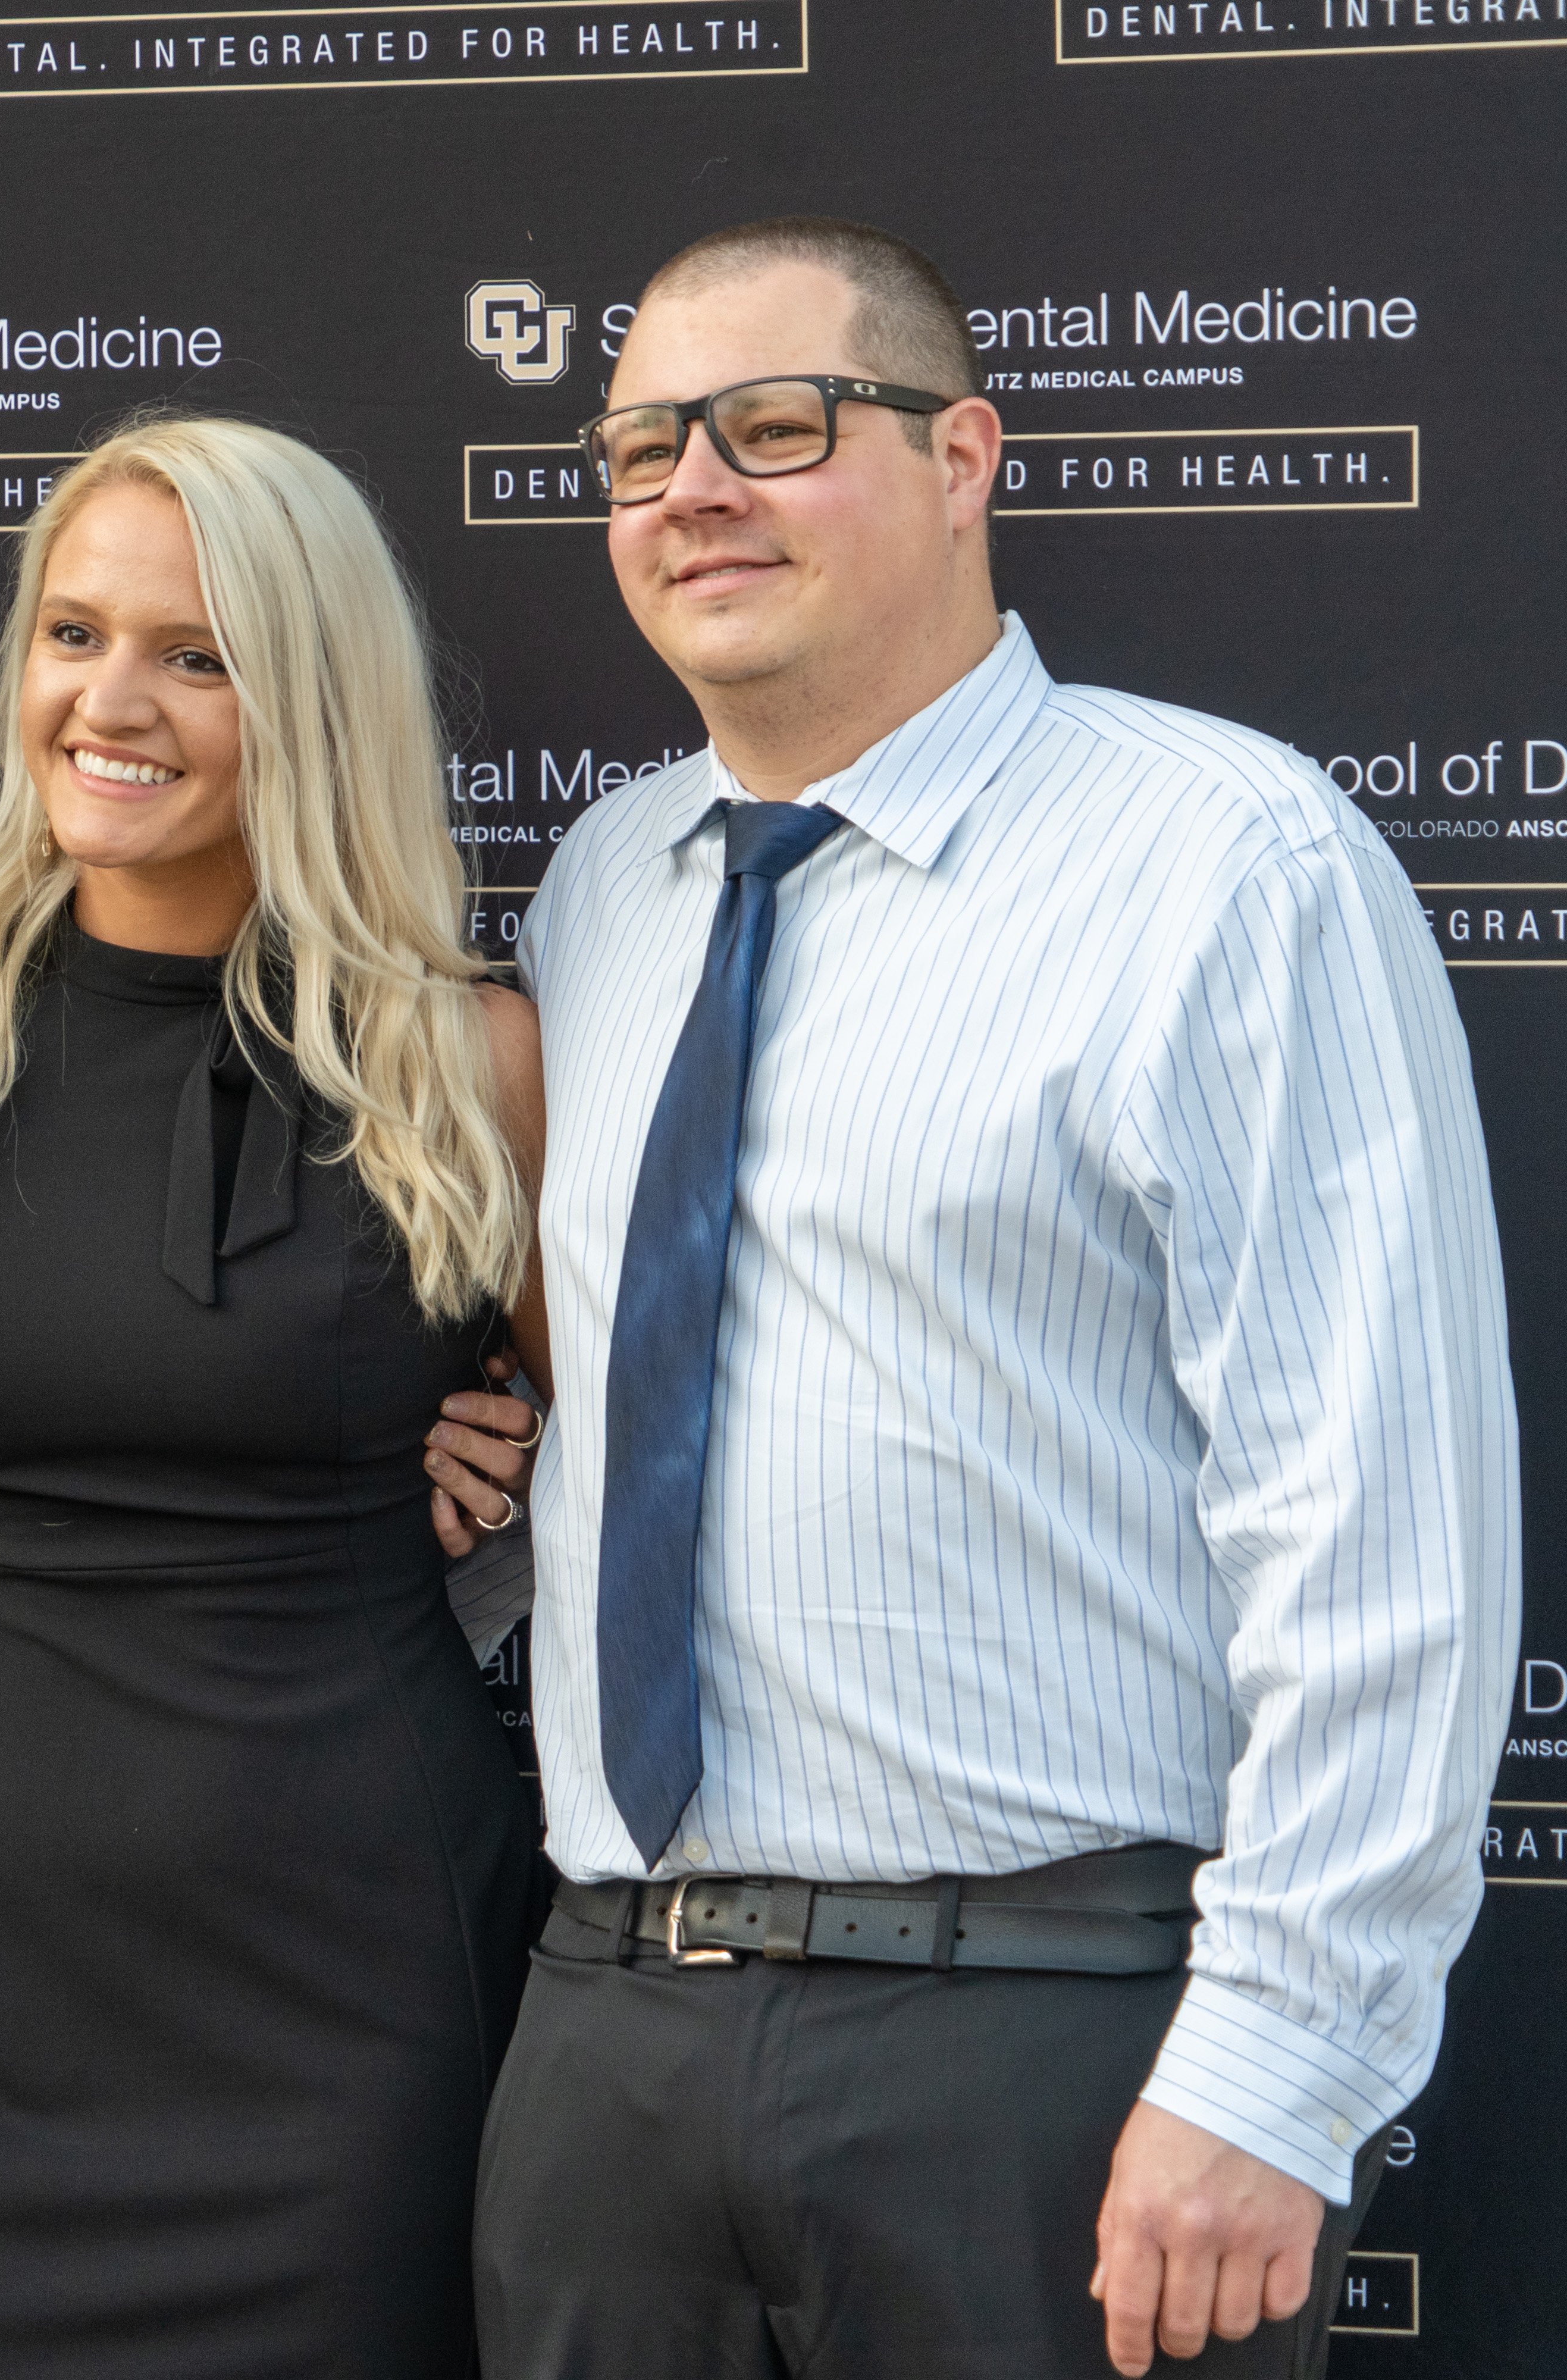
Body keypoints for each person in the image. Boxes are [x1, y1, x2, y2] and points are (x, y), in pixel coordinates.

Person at [471, 217, 1518, 2380]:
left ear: (965, 459)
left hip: (1046, 2050)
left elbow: (1377, 1535)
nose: (695, 490)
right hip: (606, 2038)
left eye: (777, 426)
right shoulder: (603, 888)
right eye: (643, 443)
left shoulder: (1230, 863)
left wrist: (1276, 2069)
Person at [0, 414, 551, 2375]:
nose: (109, 702)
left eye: (195, 656)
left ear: (306, 695)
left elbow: (654, 1466)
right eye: (72, 634)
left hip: (349, 2014)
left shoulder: (466, 1066)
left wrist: (495, 1452)